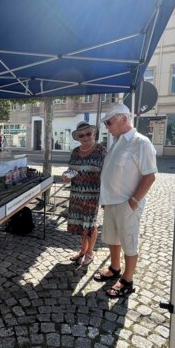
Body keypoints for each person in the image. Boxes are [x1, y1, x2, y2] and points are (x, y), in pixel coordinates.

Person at [93, 103, 157, 298]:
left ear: (122, 118)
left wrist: (134, 201)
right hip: (112, 202)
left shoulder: (141, 142)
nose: (107, 127)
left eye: (109, 122)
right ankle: (114, 268)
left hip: (127, 203)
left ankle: (128, 280)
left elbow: (150, 175)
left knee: (129, 241)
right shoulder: (118, 141)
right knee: (113, 238)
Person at [62, 122, 107, 266]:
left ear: (93, 134)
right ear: (78, 138)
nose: (85, 137)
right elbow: (71, 169)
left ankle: (89, 253)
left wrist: (106, 197)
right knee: (81, 224)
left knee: (90, 224)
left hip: (93, 195)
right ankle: (82, 250)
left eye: (88, 133)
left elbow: (108, 173)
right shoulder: (75, 152)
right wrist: (66, 175)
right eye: (82, 135)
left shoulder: (101, 151)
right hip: (76, 194)